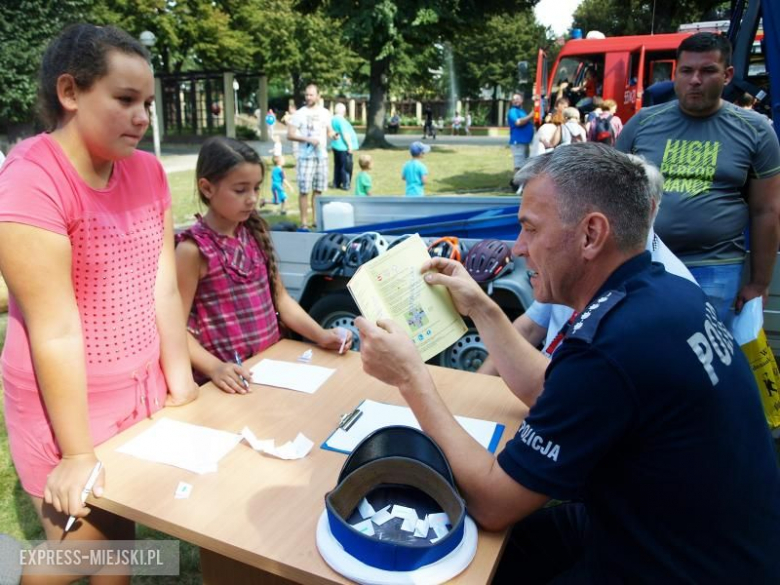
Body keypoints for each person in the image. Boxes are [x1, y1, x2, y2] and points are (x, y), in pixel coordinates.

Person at [356, 143, 780, 583]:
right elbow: (553, 390)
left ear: (591, 235)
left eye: (530, 229)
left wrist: (411, 378)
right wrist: (481, 307)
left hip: (684, 565)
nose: (518, 248)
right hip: (689, 534)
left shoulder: (613, 346)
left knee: (470, 545)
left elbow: (495, 503)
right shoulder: (663, 290)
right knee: (487, 552)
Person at [0, 23, 198, 574]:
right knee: (77, 550)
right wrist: (78, 452)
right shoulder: (31, 179)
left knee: (123, 541)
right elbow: (55, 328)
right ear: (70, 92)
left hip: (141, 394)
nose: (143, 117)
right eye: (126, 99)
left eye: (148, 103)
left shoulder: (151, 172)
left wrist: (179, 382)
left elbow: (162, 286)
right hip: (64, 407)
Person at [617, 32, 780, 326]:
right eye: (687, 70)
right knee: (644, 351)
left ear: (727, 75)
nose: (695, 79)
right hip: (645, 263)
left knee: (701, 358)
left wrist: (759, 282)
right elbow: (610, 193)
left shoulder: (755, 130)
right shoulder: (642, 123)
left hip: (715, 267)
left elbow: (766, 210)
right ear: (675, 73)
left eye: (707, 71)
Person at [481, 157, 695, 375]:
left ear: (647, 208)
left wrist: (483, 311)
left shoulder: (662, 294)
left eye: (533, 229)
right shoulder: (581, 259)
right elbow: (529, 328)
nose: (518, 248)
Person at [175, 137, 352, 394]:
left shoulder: (253, 232)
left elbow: (281, 299)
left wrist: (321, 335)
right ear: (207, 188)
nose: (252, 199)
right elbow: (174, 329)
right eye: (240, 190)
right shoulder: (192, 250)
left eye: (256, 188)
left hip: (271, 372)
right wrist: (215, 368)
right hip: (228, 385)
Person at [286, 84, 334, 229]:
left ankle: (316, 220)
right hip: (305, 157)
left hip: (321, 156)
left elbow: (329, 131)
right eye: (307, 95)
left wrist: (334, 135)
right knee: (304, 190)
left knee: (318, 190)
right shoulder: (299, 114)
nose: (308, 97)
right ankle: (304, 222)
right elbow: (290, 134)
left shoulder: (325, 113)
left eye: (311, 95)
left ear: (318, 96)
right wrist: (307, 140)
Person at [331, 102, 359, 191]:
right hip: (343, 147)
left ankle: (336, 183)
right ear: (344, 111)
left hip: (336, 146)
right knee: (346, 166)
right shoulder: (341, 120)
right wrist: (349, 145)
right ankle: (346, 184)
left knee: (338, 165)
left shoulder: (333, 119)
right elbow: (345, 133)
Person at [507, 92, 534, 176]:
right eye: (514, 99)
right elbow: (518, 122)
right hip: (518, 142)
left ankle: (522, 185)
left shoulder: (521, 111)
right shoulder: (512, 111)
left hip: (524, 142)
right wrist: (530, 115)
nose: (516, 101)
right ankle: (516, 185)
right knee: (518, 166)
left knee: (524, 165)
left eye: (518, 99)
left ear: (522, 100)